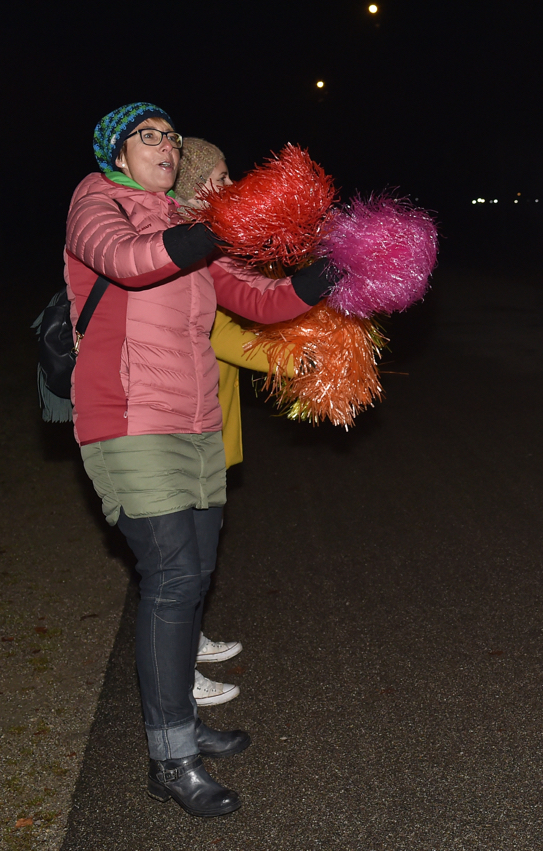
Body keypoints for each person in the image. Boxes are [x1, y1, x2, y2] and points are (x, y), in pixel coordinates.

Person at [67, 103, 331, 815]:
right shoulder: (97, 202)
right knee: (173, 575)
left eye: (172, 137)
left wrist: (323, 280)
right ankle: (169, 756)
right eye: (150, 136)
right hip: (127, 422)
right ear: (116, 150)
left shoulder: (186, 231)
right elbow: (129, 262)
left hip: (197, 427)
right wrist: (218, 225)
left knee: (197, 574)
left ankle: (181, 720)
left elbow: (251, 299)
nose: (167, 146)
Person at [173, 138, 249, 707]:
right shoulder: (179, 243)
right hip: (181, 421)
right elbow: (216, 329)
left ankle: (189, 640)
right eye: (219, 178)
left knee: (203, 545)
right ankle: (177, 673)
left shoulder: (209, 240)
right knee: (184, 560)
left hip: (211, 413)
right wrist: (293, 357)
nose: (229, 189)